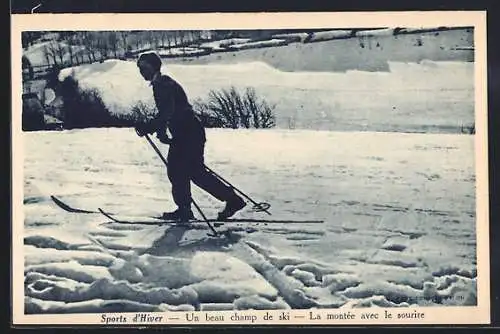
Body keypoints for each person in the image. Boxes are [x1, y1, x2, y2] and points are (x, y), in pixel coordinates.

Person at [135, 51, 246, 222]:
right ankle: (228, 201)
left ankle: (188, 209)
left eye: (144, 67)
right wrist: (162, 131)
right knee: (189, 172)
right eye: (139, 68)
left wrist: (150, 127)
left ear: (153, 67)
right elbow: (169, 112)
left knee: (183, 171)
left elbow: (167, 111)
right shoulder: (162, 83)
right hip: (187, 132)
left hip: (188, 133)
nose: (141, 72)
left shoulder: (162, 84)